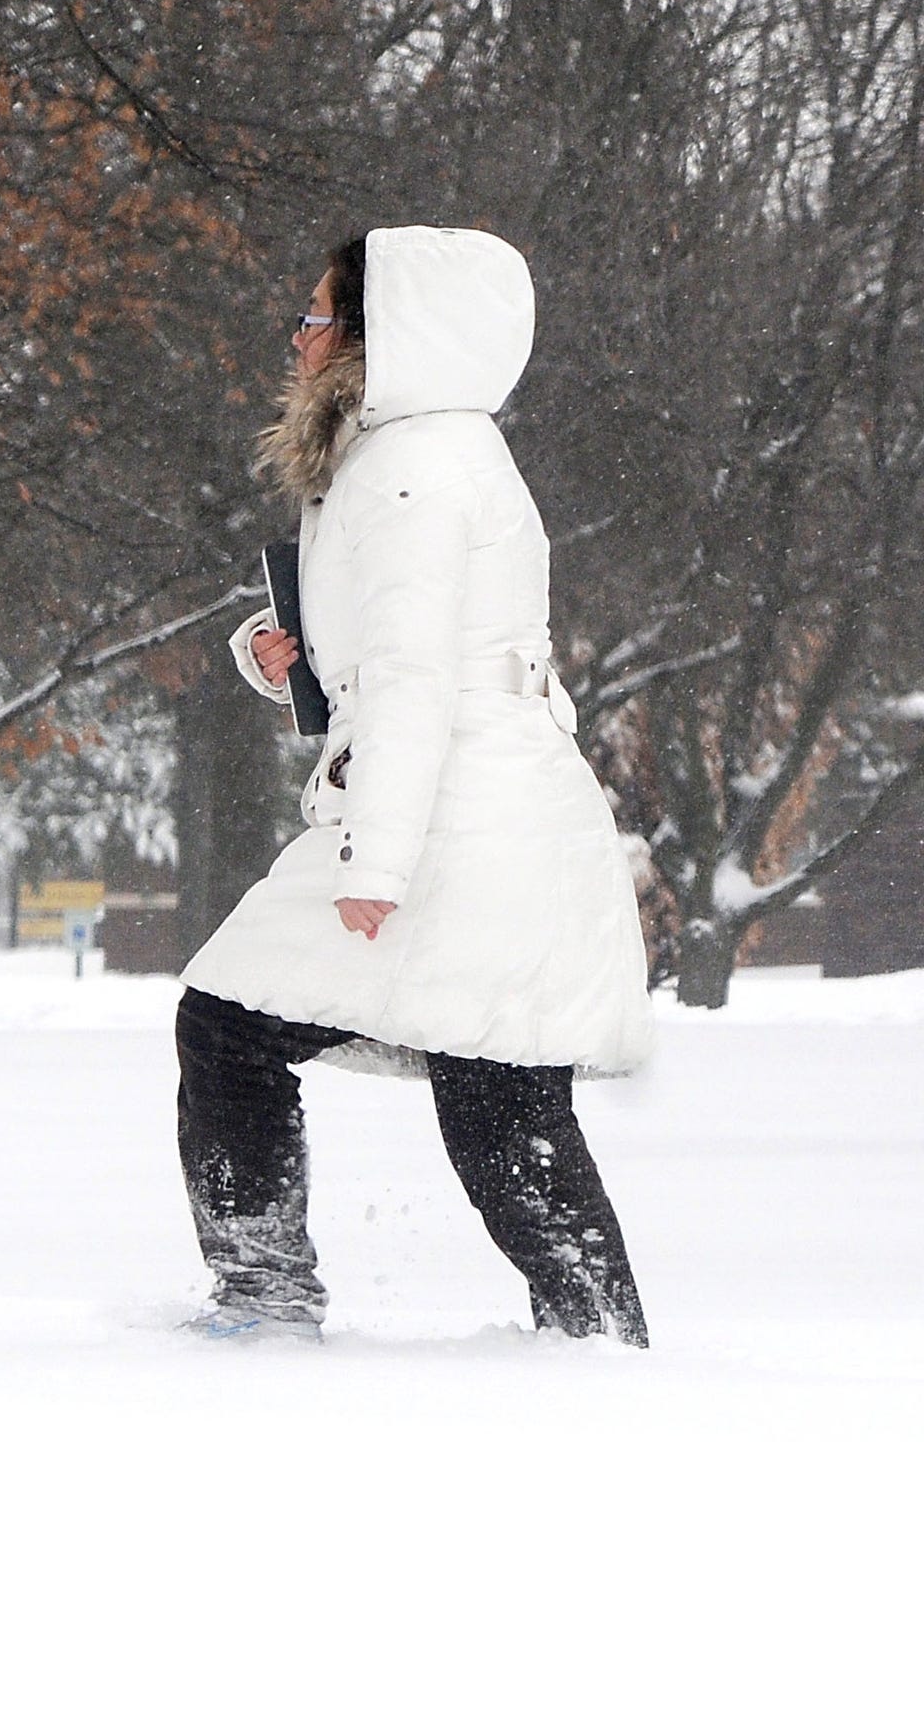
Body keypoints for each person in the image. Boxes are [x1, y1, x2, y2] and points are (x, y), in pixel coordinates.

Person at [176, 226, 654, 1346]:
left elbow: (410, 679)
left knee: (239, 1031)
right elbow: (385, 653)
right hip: (475, 813)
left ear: (379, 335)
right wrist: (274, 649)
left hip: (459, 827)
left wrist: (373, 863)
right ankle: (598, 1341)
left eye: (316, 315)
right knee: (495, 1105)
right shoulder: (407, 456)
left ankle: (264, 1297)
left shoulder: (410, 470)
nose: (296, 334)